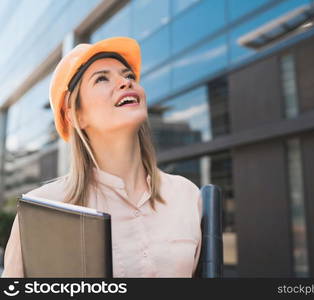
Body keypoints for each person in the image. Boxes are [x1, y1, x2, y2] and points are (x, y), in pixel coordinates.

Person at [1, 37, 202, 278]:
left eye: (128, 76)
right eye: (102, 78)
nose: (125, 83)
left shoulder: (187, 195)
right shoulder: (41, 210)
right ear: (76, 116)